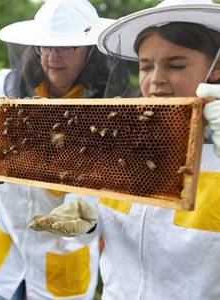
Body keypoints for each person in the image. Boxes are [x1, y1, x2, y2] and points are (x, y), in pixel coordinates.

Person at [0, 1, 126, 299]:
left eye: (66, 47)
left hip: (60, 248)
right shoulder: (4, 84)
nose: (53, 56)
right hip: (1, 236)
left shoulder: (108, 109)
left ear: (89, 51)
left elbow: (108, 184)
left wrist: (85, 211)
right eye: (45, 45)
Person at [29, 0, 220, 299]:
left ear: (216, 67)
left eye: (176, 65)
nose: (155, 79)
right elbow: (99, 218)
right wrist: (85, 218)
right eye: (145, 66)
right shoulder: (122, 138)